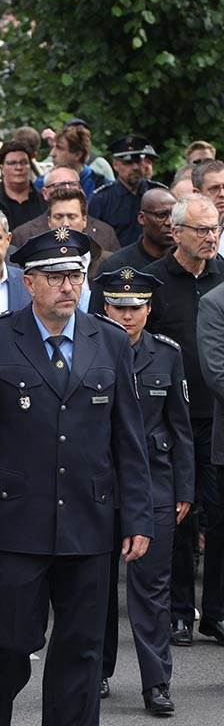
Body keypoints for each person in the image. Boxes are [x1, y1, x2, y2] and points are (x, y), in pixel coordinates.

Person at [0, 227, 153, 726]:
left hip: (90, 520)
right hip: (18, 520)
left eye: (76, 276)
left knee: (82, 649)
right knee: (10, 643)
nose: (68, 286)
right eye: (57, 277)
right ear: (30, 281)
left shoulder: (108, 341)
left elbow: (129, 438)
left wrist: (138, 518)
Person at [97, 267, 193, 714]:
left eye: (135, 307)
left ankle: (157, 683)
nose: (127, 314)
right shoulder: (89, 348)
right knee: (94, 587)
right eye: (119, 306)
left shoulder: (167, 355)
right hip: (99, 485)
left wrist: (184, 488)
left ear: (149, 310)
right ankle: (95, 670)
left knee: (151, 590)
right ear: (104, 307)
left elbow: (181, 429)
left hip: (154, 484)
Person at [143, 194, 224, 648]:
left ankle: (216, 611)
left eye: (214, 229)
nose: (210, 237)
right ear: (176, 232)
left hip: (217, 418)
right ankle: (178, 611)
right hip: (170, 421)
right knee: (179, 518)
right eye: (200, 230)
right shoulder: (153, 282)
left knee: (220, 517)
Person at [89, 136, 166, 245]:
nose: (135, 167)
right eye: (128, 162)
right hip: (116, 260)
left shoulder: (159, 194)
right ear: (115, 165)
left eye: (138, 161)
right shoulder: (101, 199)